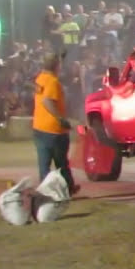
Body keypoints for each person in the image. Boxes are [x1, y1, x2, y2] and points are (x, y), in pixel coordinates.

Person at [32, 53, 80, 196]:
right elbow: (47, 101)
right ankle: (68, 189)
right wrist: (61, 119)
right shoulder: (53, 82)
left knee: (44, 164)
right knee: (62, 163)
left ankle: (44, 192)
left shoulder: (40, 78)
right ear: (57, 66)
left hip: (39, 127)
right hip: (54, 130)